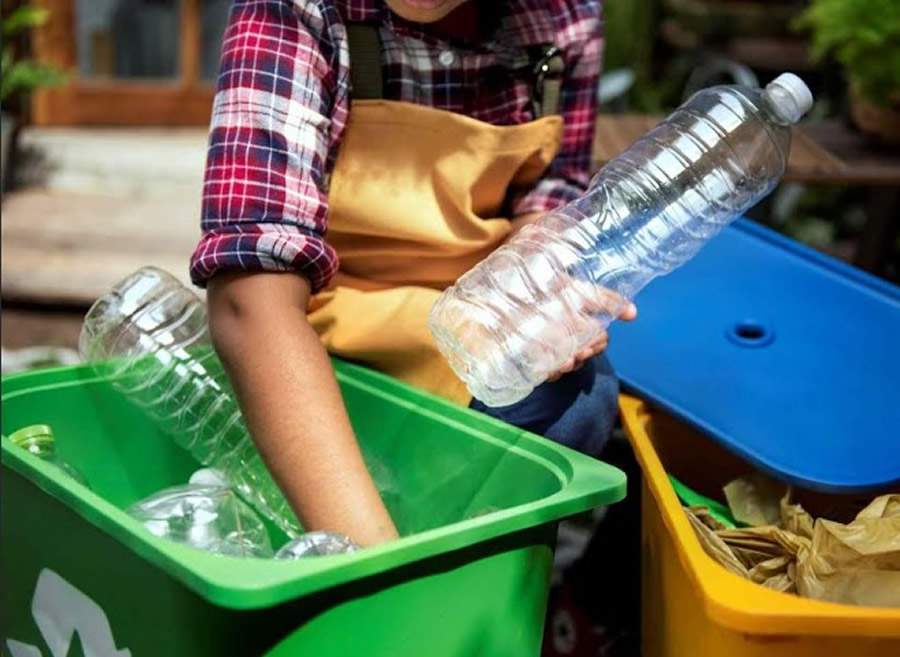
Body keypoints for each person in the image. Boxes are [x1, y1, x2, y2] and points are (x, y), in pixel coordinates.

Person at [192, 0, 636, 546]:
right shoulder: (295, 11)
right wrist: (371, 565)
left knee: (579, 400)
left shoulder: (564, 20)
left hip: (465, 318)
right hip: (322, 323)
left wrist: (536, 286)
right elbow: (249, 301)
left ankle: (460, 559)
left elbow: (548, 195)